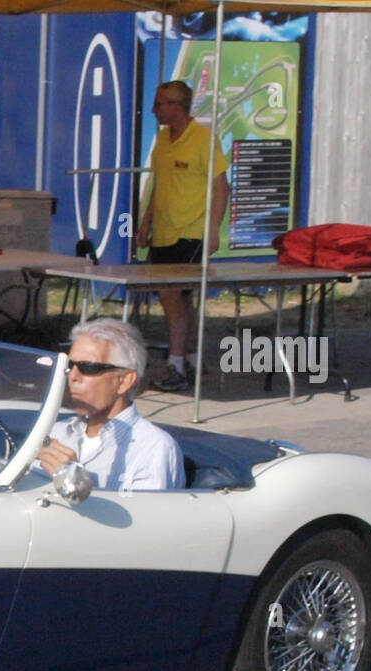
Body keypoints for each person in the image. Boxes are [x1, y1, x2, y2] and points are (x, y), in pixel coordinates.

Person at [135, 80, 230, 392]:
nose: (154, 110)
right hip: (163, 230)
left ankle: (175, 365)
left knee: (174, 296)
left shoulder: (203, 139)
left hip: (190, 230)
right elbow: (160, 184)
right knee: (177, 298)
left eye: (161, 103)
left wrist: (213, 229)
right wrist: (146, 221)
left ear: (177, 105)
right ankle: (189, 358)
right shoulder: (163, 140)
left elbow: (220, 186)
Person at [35, 318, 185, 492]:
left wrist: (78, 483)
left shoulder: (154, 448)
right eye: (69, 365)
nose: (72, 376)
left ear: (124, 381)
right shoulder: (54, 431)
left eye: (88, 367)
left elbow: (146, 517)